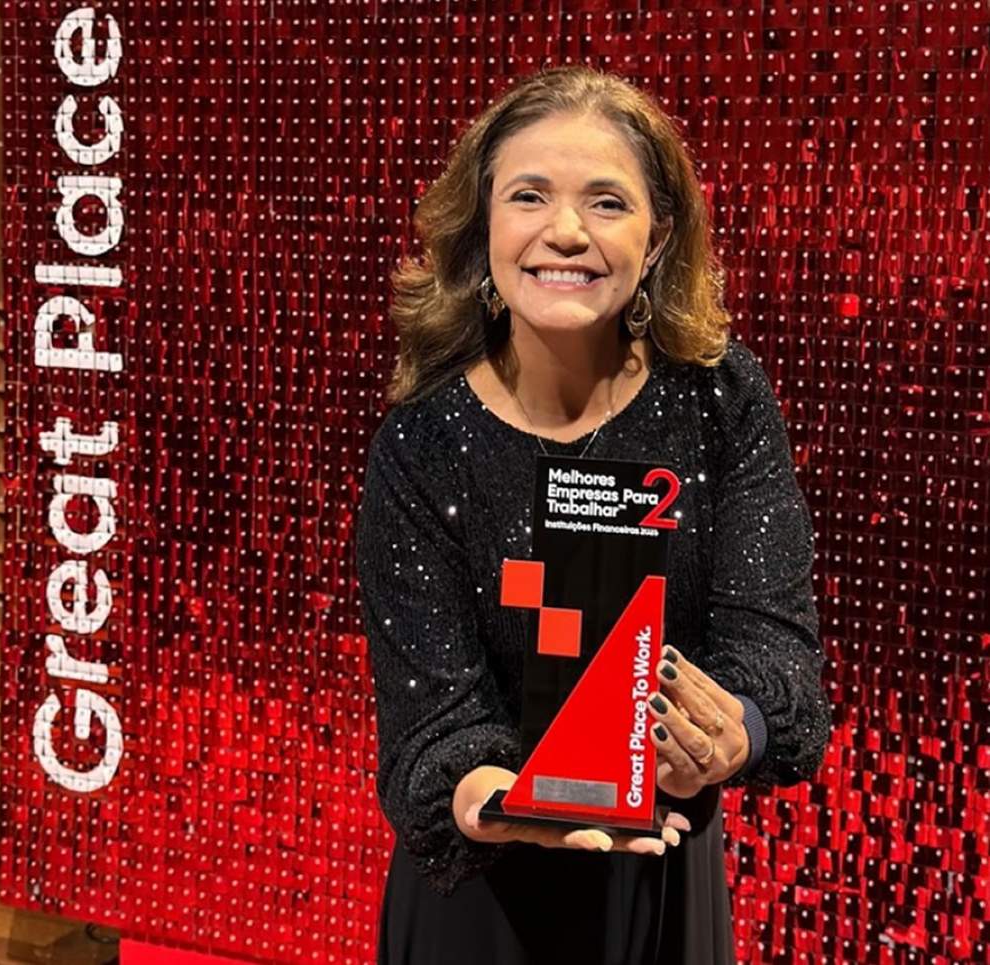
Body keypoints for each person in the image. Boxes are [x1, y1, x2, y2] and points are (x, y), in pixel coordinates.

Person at [356, 64, 830, 965]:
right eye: (529, 195)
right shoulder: (422, 443)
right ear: (483, 225)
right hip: (480, 898)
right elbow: (430, 720)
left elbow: (776, 653)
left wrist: (733, 729)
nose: (566, 231)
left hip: (662, 877)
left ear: (657, 239)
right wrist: (485, 793)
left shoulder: (721, 400)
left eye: (607, 202)